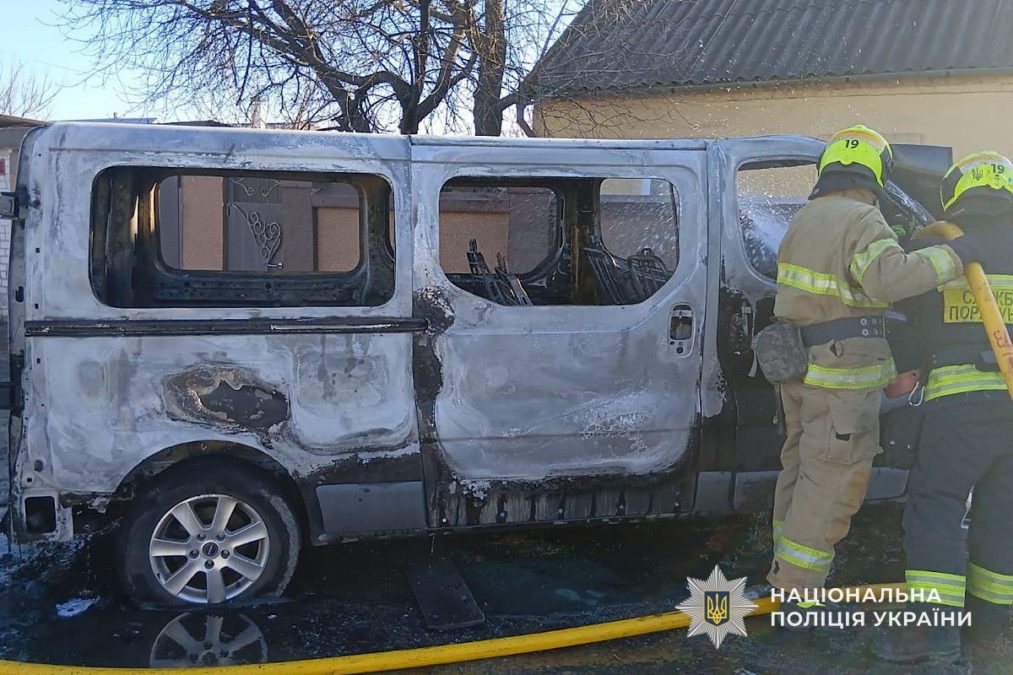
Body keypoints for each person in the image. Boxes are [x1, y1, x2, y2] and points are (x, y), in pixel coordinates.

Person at [768, 125, 977, 609]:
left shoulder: (806, 217)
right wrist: (953, 255)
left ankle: (784, 569)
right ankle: (798, 597)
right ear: (875, 175)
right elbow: (889, 280)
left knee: (799, 472)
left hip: (799, 368)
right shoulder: (864, 218)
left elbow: (835, 282)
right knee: (833, 483)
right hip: (839, 379)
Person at [874, 151, 1013, 664]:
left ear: (958, 191)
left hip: (958, 405)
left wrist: (905, 369)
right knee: (1004, 513)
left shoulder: (940, 241)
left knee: (937, 506)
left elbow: (905, 319)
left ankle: (932, 634)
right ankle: (992, 629)